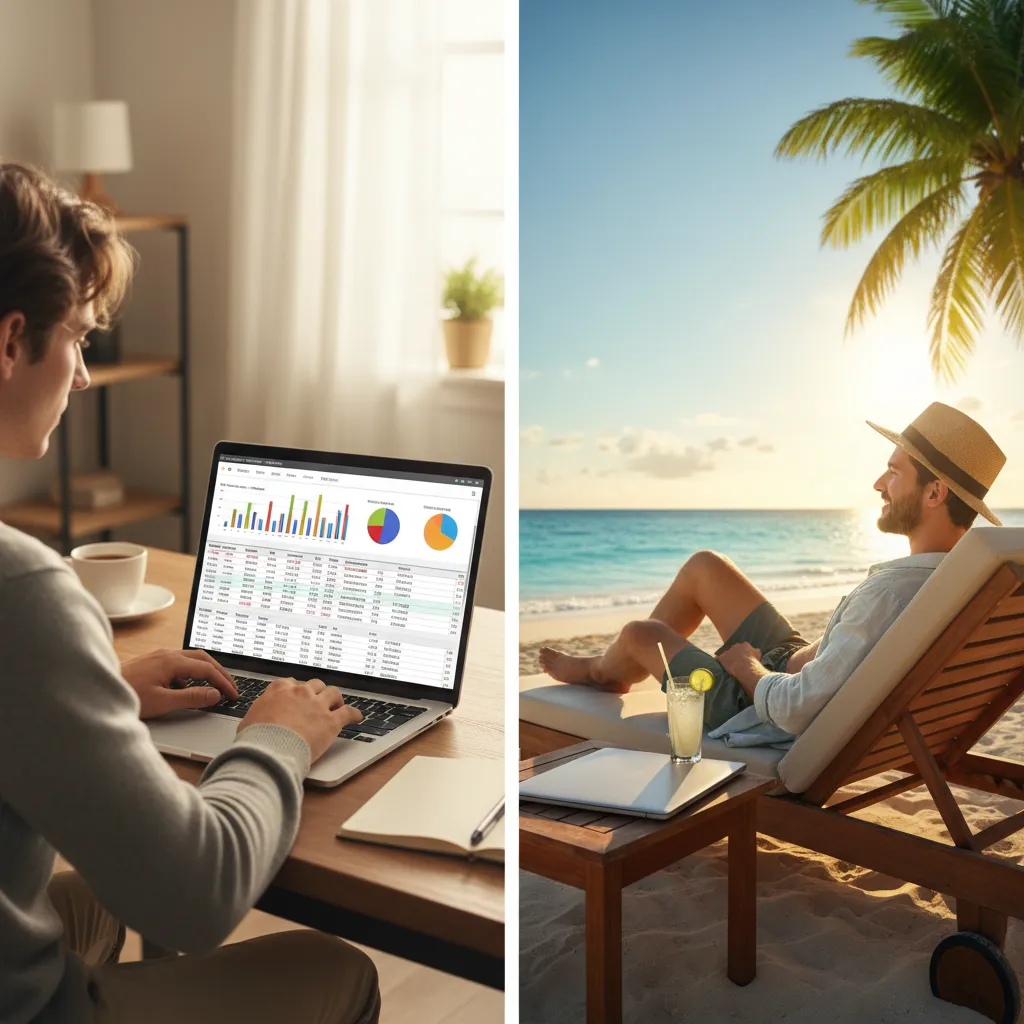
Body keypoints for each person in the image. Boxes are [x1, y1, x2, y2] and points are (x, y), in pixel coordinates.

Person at [0, 163, 380, 1024]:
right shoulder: (21, 588)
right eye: (82, 340)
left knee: (89, 899)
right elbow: (197, 897)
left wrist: (102, 703)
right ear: (11, 340)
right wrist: (276, 739)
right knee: (333, 967)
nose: (86, 377)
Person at [539, 403, 1006, 737]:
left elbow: (798, 710)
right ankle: (605, 667)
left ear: (935, 493)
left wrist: (746, 666)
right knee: (706, 567)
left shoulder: (891, 594)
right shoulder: (958, 581)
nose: (879, 484)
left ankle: (602, 673)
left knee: (641, 633)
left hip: (751, 704)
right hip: (794, 662)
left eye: (894, 473)